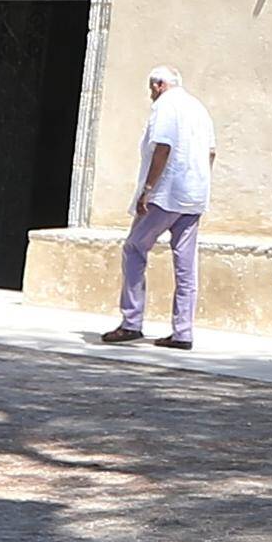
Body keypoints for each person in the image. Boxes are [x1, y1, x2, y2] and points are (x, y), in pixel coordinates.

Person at [98, 64, 213, 350]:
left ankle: (131, 322)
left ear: (159, 85)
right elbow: (211, 152)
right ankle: (183, 331)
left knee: (135, 248)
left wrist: (148, 190)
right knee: (185, 264)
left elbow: (163, 148)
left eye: (152, 89)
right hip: (194, 195)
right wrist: (198, 184)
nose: (151, 95)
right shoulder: (198, 108)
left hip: (166, 195)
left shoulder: (166, 106)